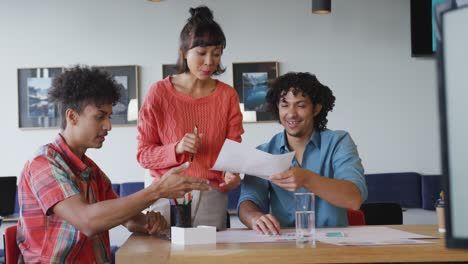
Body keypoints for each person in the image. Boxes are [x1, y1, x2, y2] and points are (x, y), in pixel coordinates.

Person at [16, 66, 211, 263]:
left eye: (109, 117)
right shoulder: (42, 164)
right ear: (72, 116)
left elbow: (129, 219)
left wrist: (148, 222)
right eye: (100, 117)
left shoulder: (92, 171)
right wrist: (158, 190)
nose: (108, 126)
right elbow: (88, 221)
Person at [137, 6, 244, 229]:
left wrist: (231, 175)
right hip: (166, 193)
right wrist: (175, 148)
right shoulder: (159, 93)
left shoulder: (227, 96)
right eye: (201, 53)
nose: (209, 61)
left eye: (216, 53)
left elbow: (233, 153)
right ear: (184, 51)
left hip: (211, 196)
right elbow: (143, 155)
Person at [238, 72, 368, 235]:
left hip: (334, 247)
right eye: (285, 105)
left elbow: (354, 198)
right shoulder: (264, 152)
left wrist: (307, 178)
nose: (291, 113)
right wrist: (254, 217)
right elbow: (247, 201)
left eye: (300, 105)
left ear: (316, 108)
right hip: (285, 245)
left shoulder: (338, 142)